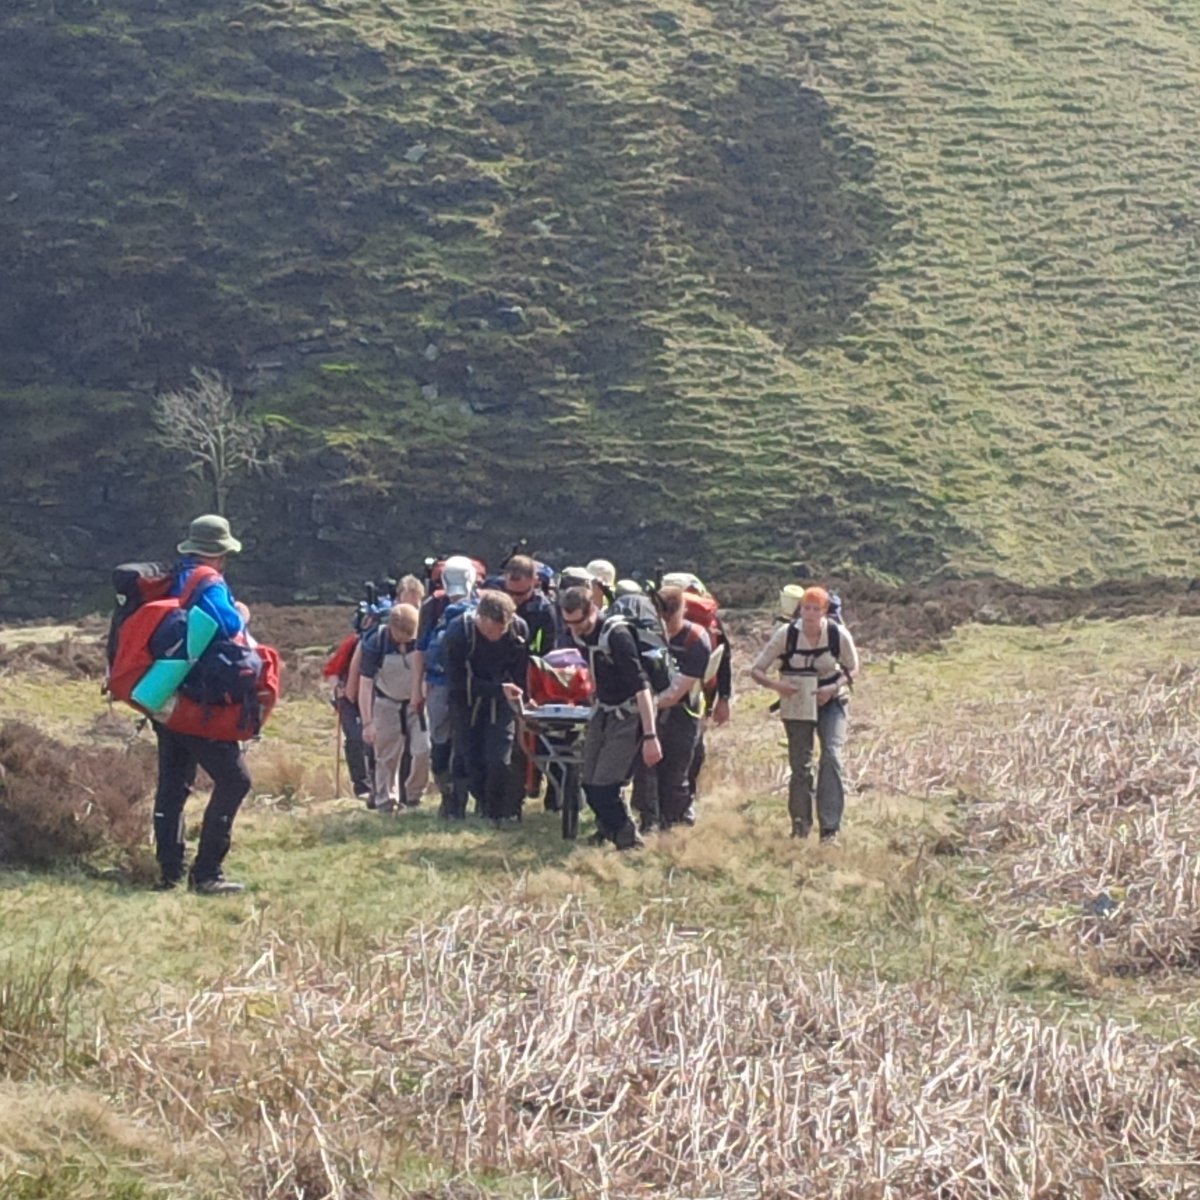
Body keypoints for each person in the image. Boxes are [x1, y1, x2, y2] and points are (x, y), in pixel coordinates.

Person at [152, 514, 252, 895]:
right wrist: (241, 613)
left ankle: (170, 871)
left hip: (165, 691)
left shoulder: (175, 577)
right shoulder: (208, 583)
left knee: (173, 783)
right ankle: (207, 873)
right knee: (235, 780)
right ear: (218, 554)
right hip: (197, 698)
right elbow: (228, 626)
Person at [750, 586, 858, 843]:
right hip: (797, 702)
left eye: (815, 609)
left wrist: (832, 688)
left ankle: (830, 830)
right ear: (799, 610)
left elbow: (853, 668)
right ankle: (800, 826)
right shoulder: (785, 635)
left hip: (831, 701)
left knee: (832, 757)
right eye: (805, 608)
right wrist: (779, 688)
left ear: (824, 612)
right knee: (801, 765)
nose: (809, 614)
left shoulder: (836, 633)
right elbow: (756, 670)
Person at [560, 585, 661, 850]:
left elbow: (642, 687)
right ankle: (609, 830)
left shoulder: (616, 635)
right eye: (568, 623)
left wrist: (650, 736)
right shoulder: (580, 635)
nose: (574, 629)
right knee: (589, 782)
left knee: (605, 785)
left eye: (579, 622)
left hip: (629, 714)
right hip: (603, 710)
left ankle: (629, 841)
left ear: (592, 609)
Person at [444, 590, 530, 823]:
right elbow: (457, 681)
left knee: (499, 759)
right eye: (492, 630)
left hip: (502, 702)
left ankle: (495, 813)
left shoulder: (518, 631)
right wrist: (497, 688)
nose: (498, 635)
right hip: (466, 701)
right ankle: (460, 806)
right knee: (469, 759)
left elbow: (521, 672)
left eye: (503, 630)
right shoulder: (458, 633)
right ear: (479, 618)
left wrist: (522, 699)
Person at [631, 586, 710, 833]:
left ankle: (672, 827)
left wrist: (644, 704)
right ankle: (648, 824)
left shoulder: (696, 640)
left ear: (682, 612)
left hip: (683, 713)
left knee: (675, 772)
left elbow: (677, 691)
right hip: (648, 712)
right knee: (644, 772)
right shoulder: (644, 636)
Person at [413, 555, 477, 816]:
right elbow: (420, 648)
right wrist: (416, 689)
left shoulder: (433, 605)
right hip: (454, 687)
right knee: (449, 743)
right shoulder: (435, 607)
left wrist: (417, 688)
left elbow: (420, 650)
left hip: (448, 686)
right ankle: (452, 798)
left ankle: (454, 800)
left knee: (449, 742)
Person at [359, 603, 429, 812]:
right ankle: (385, 800)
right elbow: (366, 684)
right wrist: (368, 722)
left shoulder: (421, 640)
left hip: (417, 702)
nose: (408, 639)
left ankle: (414, 795)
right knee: (386, 756)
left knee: (424, 749)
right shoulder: (376, 642)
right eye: (403, 635)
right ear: (392, 628)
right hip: (386, 703)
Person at [504, 556, 558, 811]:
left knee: (548, 742)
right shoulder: (499, 605)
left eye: (522, 592)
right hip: (506, 681)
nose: (516, 599)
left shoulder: (544, 610)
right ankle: (512, 802)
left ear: (534, 582)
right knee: (514, 746)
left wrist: (540, 692)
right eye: (511, 592)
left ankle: (555, 797)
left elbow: (550, 654)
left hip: (536, 681)